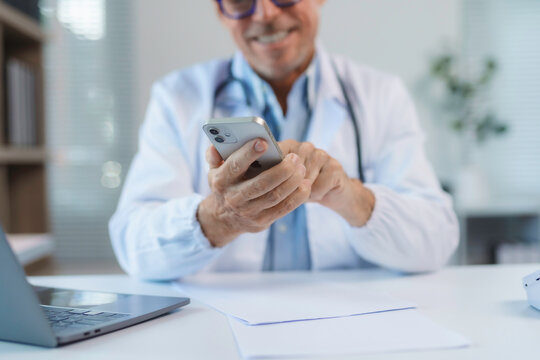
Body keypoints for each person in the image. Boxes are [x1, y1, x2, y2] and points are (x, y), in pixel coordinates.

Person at [109, 0, 458, 280]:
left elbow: (436, 240)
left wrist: (352, 197)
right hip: (222, 332)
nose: (265, 14)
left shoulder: (381, 95)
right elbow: (133, 245)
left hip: (347, 326)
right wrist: (220, 217)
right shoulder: (176, 97)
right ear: (221, 11)